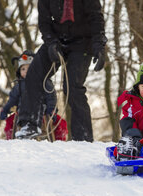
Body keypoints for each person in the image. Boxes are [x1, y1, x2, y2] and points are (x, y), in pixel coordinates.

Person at [15, 0, 107, 141]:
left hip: (82, 42)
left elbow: (96, 17)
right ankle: (30, 124)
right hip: (56, 39)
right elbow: (44, 22)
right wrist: (51, 42)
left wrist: (99, 45)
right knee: (34, 74)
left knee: (72, 87)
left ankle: (83, 136)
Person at [0, 50, 68, 141]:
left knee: (61, 123)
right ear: (19, 71)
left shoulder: (44, 82)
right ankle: (13, 138)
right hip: (22, 116)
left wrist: (52, 110)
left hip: (42, 114)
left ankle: (56, 140)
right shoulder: (19, 86)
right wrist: (5, 110)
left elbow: (51, 96)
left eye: (29, 68)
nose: (26, 71)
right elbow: (12, 100)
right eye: (23, 69)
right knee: (10, 121)